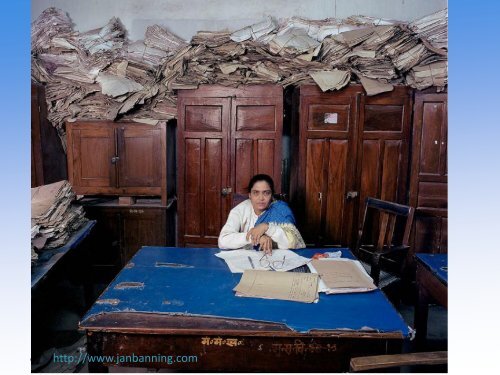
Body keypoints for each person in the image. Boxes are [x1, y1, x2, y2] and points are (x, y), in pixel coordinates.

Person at [218, 174, 305, 254]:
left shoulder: (280, 210)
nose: (261, 198)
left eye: (266, 193)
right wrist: (256, 237)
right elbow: (223, 240)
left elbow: (294, 242)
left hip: (275, 258)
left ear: (272, 195)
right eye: (256, 192)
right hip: (246, 259)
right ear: (250, 195)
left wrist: (267, 227)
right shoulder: (239, 210)